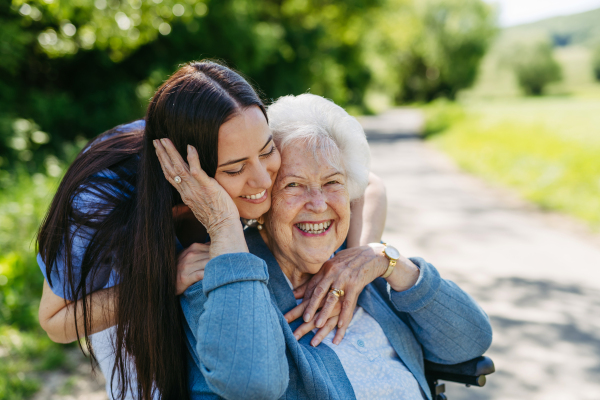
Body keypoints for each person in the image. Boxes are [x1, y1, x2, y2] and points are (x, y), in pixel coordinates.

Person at [36, 62, 387, 400]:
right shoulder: (100, 197)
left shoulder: (243, 134)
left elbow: (367, 185)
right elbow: (56, 322)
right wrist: (163, 281)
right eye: (235, 170)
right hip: (132, 295)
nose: (265, 180)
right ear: (191, 170)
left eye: (267, 152)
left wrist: (354, 260)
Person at [156, 93, 493, 399]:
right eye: (294, 185)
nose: (318, 204)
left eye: (333, 182)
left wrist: (390, 263)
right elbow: (251, 383)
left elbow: (469, 342)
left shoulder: (360, 264)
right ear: (263, 200)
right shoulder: (223, 281)